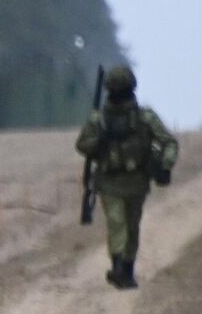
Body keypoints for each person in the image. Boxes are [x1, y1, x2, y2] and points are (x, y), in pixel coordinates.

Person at [76, 64, 178, 289]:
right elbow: (83, 145)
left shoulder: (140, 118)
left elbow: (169, 143)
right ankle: (120, 268)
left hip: (135, 182)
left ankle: (126, 269)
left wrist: (165, 166)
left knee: (129, 226)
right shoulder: (103, 119)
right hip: (112, 182)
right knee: (120, 224)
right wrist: (99, 141)